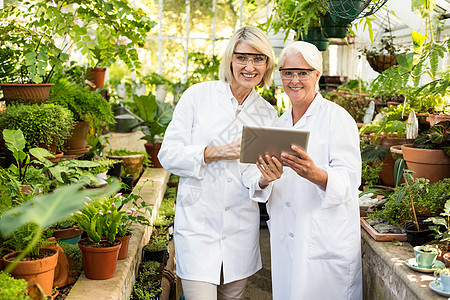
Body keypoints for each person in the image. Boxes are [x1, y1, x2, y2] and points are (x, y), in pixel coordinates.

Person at [157, 25, 278, 300]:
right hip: (198, 227)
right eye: (242, 57)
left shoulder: (267, 114)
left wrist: (264, 178)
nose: (250, 66)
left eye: (259, 58)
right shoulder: (198, 96)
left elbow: (251, 174)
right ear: (230, 59)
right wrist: (214, 152)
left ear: (268, 64)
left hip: (239, 234)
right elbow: (168, 154)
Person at [257, 41, 363, 299]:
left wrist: (315, 174)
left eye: (303, 73)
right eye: (287, 72)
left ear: (317, 75)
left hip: (324, 241)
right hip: (287, 237)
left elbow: (351, 181)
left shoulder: (337, 119)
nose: (294, 80)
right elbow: (259, 179)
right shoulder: (278, 123)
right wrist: (264, 180)